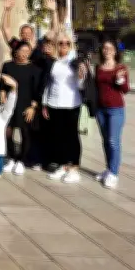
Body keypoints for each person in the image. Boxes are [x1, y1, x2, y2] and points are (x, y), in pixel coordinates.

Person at [42, 32, 86, 184]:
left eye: (67, 43)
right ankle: (62, 165)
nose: (64, 46)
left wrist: (81, 77)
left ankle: (74, 167)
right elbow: (49, 83)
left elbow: (81, 84)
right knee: (58, 136)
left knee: (72, 136)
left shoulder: (75, 61)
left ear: (71, 45)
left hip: (71, 104)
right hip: (55, 103)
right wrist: (45, 103)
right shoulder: (54, 62)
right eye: (60, 43)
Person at [0, 42, 41, 175]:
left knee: (25, 133)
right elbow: (2, 83)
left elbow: (38, 90)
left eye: (27, 51)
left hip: (26, 104)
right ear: (15, 51)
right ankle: (11, 157)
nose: (24, 54)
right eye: (21, 50)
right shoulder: (8, 65)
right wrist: (2, 92)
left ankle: (21, 161)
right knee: (8, 131)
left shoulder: (34, 68)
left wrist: (33, 107)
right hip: (10, 104)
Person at [94, 40, 129, 189]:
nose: (107, 50)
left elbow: (125, 89)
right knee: (105, 141)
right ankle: (108, 169)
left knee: (113, 140)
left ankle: (114, 173)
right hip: (100, 109)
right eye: (105, 48)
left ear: (115, 51)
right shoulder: (98, 68)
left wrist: (119, 79)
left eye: (110, 48)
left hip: (116, 109)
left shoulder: (120, 68)